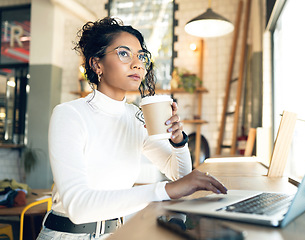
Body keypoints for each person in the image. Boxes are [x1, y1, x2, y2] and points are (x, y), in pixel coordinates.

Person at [37, 17, 227, 240]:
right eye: (124, 53)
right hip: (67, 235)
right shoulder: (69, 114)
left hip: (118, 233)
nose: (137, 64)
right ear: (96, 64)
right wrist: (164, 190)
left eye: (141, 56)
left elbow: (181, 177)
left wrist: (178, 142)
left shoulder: (135, 117)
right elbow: (79, 208)